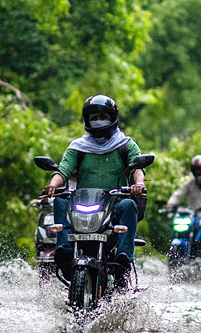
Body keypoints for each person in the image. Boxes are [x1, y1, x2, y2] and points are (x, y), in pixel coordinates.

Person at [43, 95, 147, 283]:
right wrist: (53, 185)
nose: (98, 121)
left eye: (103, 117)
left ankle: (124, 257)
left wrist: (139, 184)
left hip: (114, 207)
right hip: (83, 206)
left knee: (130, 204)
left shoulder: (125, 145)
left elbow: (137, 169)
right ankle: (65, 251)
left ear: (112, 118)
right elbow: (63, 170)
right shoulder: (78, 147)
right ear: (87, 120)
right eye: (94, 117)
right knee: (59, 201)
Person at [162, 154, 201, 263]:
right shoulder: (190, 184)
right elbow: (179, 194)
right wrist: (170, 204)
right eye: (197, 170)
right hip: (193, 216)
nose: (199, 172)